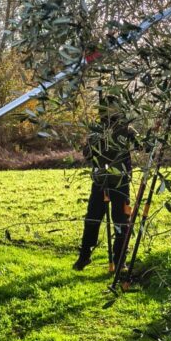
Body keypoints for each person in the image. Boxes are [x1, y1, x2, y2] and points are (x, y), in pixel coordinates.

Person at [73, 98, 138, 272]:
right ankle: (84, 256)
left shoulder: (127, 130)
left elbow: (142, 146)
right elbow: (87, 154)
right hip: (100, 182)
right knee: (92, 220)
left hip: (120, 182)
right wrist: (97, 142)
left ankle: (120, 261)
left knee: (121, 222)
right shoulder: (96, 131)